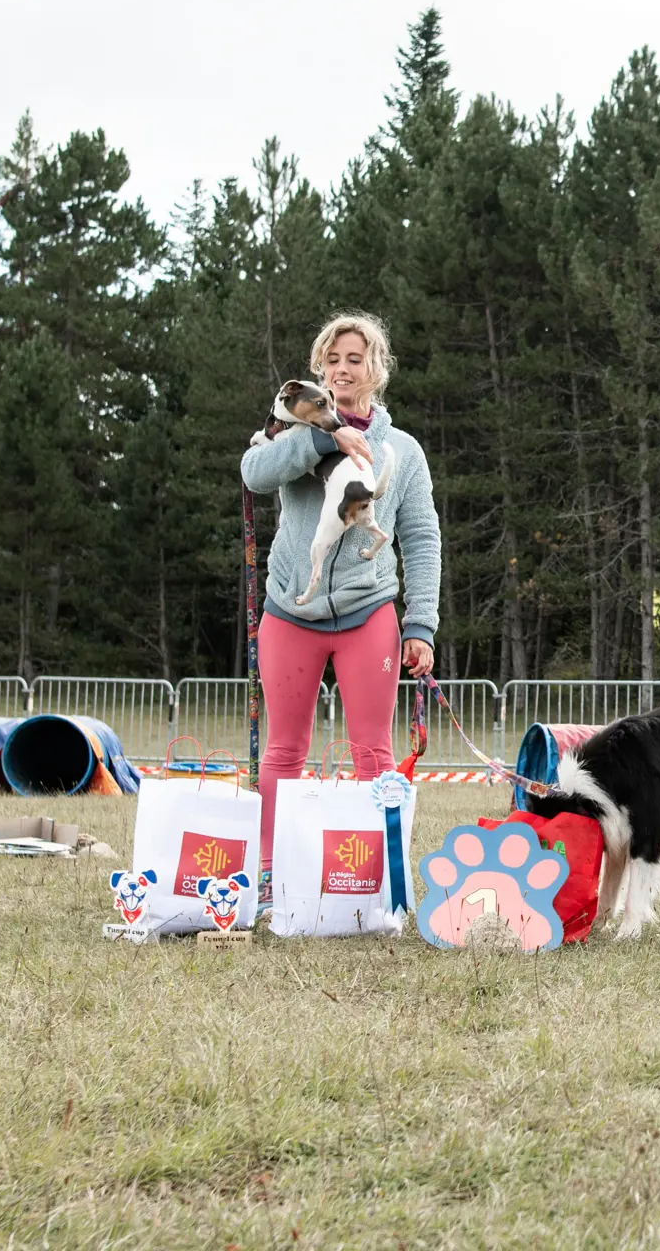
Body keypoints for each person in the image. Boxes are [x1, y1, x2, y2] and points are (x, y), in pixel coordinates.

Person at [241, 313, 440, 895]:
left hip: (368, 611)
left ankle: (374, 877)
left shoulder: (401, 449)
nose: (342, 369)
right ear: (318, 370)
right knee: (284, 748)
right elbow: (254, 475)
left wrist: (421, 625)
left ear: (375, 370)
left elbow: (422, 539)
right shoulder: (290, 432)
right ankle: (273, 875)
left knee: (373, 750)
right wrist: (321, 436)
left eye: (355, 359)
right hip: (288, 611)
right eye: (332, 359)